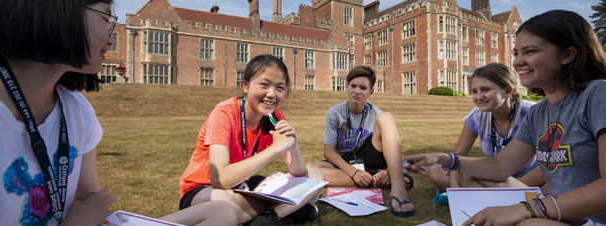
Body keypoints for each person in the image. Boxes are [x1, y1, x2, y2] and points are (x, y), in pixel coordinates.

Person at [406, 10, 606, 225]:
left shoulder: (602, 95)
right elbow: (499, 166)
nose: (517, 62)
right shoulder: (539, 112)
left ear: (567, 55)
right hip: (566, 217)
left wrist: (529, 208)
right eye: (516, 53)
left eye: (530, 51)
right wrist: (443, 158)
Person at [0, 0, 117, 225]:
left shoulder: (77, 110)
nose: (110, 38)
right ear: (60, 10)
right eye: (105, 18)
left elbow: (90, 201)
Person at [164, 55, 323, 226]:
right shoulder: (224, 113)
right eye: (264, 85)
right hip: (206, 189)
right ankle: (289, 210)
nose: (271, 94)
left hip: (243, 186)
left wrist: (293, 144)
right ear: (246, 86)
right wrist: (275, 149)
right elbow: (221, 179)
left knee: (316, 176)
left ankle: (269, 216)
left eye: (280, 88)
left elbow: (299, 174)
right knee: (226, 206)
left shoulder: (274, 117)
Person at [307, 66, 415, 217]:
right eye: (353, 86)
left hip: (370, 158)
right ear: (346, 87)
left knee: (387, 117)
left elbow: (392, 146)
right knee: (309, 168)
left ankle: (398, 188)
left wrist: (387, 169)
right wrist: (355, 173)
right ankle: (379, 179)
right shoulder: (334, 113)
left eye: (363, 88)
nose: (357, 91)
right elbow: (329, 151)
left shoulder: (377, 114)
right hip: (346, 161)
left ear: (371, 92)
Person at [426, 63, 539, 203]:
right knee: (436, 170)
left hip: (529, 176)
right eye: (474, 91)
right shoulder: (476, 116)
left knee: (470, 178)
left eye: (485, 90)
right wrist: (455, 185)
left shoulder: (534, 113)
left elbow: (552, 165)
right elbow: (458, 156)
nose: (479, 97)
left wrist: (513, 185)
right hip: (492, 175)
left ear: (508, 91)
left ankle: (503, 196)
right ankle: (496, 196)